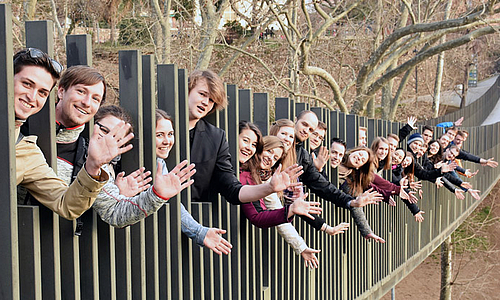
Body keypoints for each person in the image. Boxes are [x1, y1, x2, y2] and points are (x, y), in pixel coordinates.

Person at [93, 107, 232, 255]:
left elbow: (172, 203)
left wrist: (199, 231)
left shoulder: (157, 162)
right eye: (160, 135)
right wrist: (198, 231)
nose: (167, 141)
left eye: (170, 134)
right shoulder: (118, 161)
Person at [14, 48, 133, 220]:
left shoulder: (27, 152)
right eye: (27, 84)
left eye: (42, 92)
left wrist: (92, 166)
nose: (32, 97)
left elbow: (66, 204)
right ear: (61, 92)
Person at [187, 70, 300, 205]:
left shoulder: (216, 138)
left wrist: (269, 187)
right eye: (202, 94)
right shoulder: (161, 127)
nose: (205, 102)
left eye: (211, 100)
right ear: (188, 90)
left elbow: (232, 188)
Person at [240, 136, 322, 228]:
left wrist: (291, 209)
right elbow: (257, 216)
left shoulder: (257, 177)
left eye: (275, 158)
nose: (271, 158)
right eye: (269, 151)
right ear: (260, 148)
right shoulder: (246, 175)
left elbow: (259, 215)